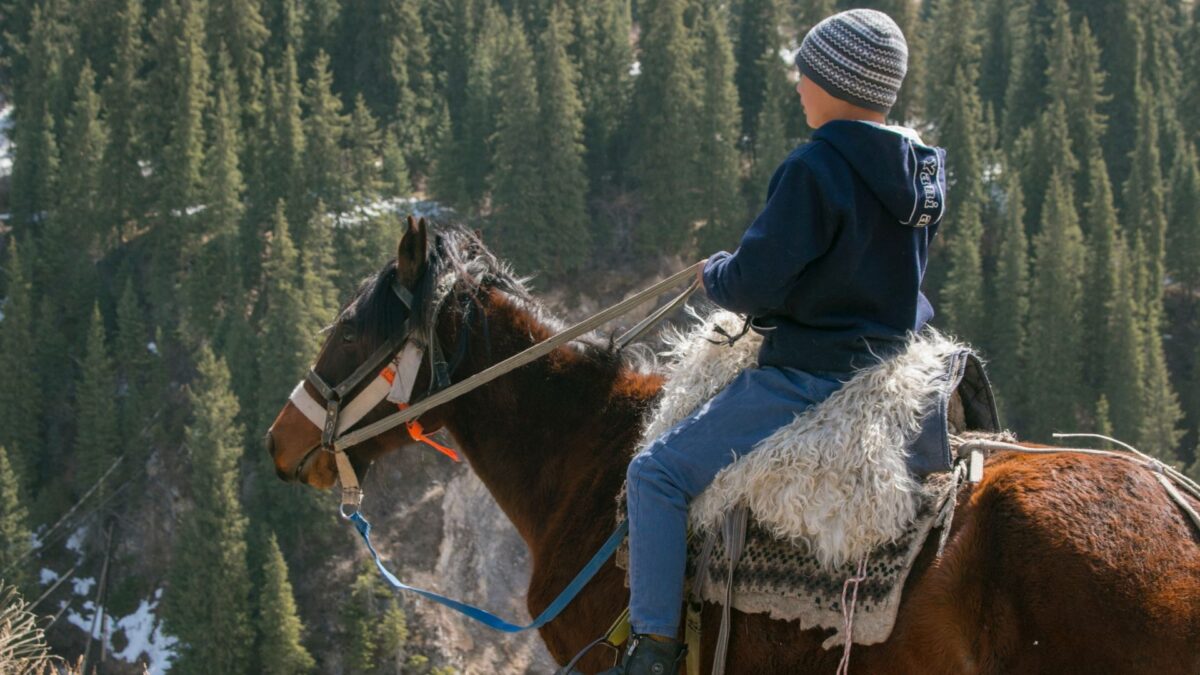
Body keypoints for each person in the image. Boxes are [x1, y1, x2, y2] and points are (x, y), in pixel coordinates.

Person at [602, 8, 948, 674]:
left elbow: (753, 284)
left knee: (656, 473)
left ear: (837, 82)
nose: (797, 83)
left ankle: (653, 648)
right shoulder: (922, 172)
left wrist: (716, 273)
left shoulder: (815, 168)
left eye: (807, 71)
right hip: (892, 357)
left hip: (812, 372)